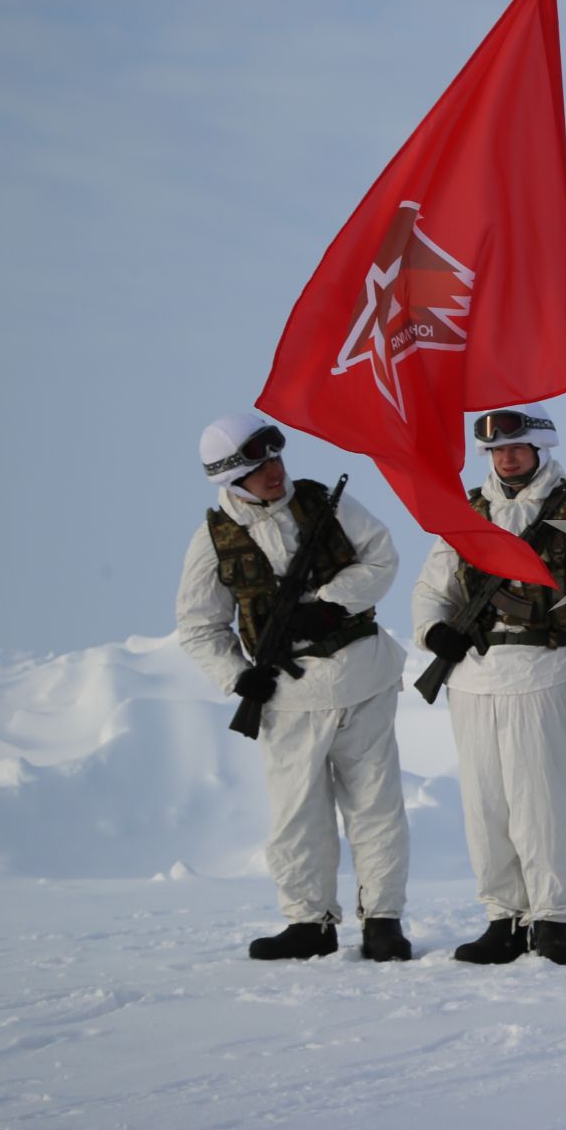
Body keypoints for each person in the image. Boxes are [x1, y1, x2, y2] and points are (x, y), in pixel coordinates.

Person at [176, 412, 412, 961]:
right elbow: (198, 626)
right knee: (296, 815)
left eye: (276, 459)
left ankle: (383, 920)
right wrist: (239, 675)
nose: (275, 472)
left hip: (362, 675)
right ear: (230, 478)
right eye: (260, 467)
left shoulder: (325, 503)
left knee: (377, 807)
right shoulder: (212, 540)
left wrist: (329, 607)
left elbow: (382, 557)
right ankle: (309, 922)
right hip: (287, 696)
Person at [410, 405, 566, 968]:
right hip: (474, 676)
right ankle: (504, 916)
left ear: (542, 448)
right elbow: (431, 588)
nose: (507, 458)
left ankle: (552, 920)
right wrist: (434, 632)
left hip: (547, 671)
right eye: (497, 451)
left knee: (542, 804)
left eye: (517, 448)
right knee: (485, 803)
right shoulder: (467, 515)